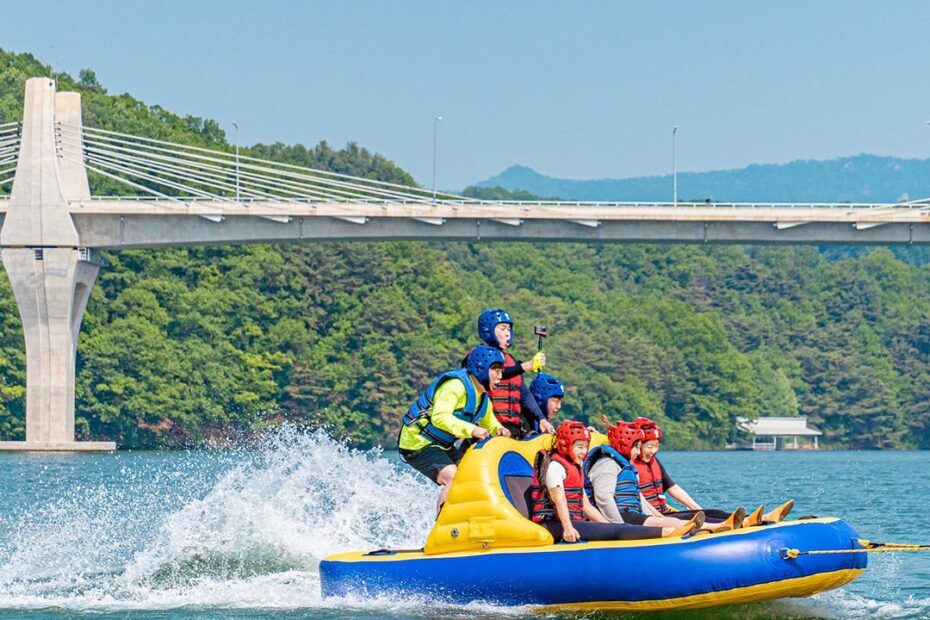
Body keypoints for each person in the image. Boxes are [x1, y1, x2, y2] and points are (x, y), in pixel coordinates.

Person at [529, 421, 702, 543]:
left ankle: (675, 531)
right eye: (579, 447)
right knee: (619, 529)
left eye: (585, 447)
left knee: (615, 528)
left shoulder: (574, 468)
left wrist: (607, 525)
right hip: (554, 523)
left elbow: (586, 507)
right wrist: (567, 528)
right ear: (566, 445)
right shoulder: (555, 467)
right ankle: (672, 532)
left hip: (573, 520)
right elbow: (559, 500)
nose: (584, 452)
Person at [398, 344, 512, 513]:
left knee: (472, 474)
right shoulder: (455, 386)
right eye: (496, 370)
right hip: (418, 442)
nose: (500, 376)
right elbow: (439, 417)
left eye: (501, 371)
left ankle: (468, 519)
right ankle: (442, 527)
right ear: (481, 368)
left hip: (443, 446)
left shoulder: (483, 399)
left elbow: (491, 424)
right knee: (454, 477)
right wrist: (472, 430)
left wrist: (500, 430)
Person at [585, 420, 744, 533]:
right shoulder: (607, 464)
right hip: (624, 517)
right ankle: (719, 527)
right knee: (673, 522)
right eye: (638, 448)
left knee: (689, 517)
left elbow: (638, 498)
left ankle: (729, 523)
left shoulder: (625, 465)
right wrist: (619, 528)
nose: (639, 452)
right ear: (625, 445)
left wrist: (657, 515)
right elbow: (603, 498)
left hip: (633, 514)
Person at [633, 417, 794, 525]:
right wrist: (659, 517)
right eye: (650, 447)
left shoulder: (654, 462)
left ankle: (758, 518)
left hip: (664, 512)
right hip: (656, 517)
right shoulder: (631, 466)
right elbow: (639, 498)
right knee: (699, 517)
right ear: (638, 445)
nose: (653, 451)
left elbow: (673, 488)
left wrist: (696, 508)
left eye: (657, 446)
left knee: (709, 512)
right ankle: (748, 521)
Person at [468, 308, 555, 438]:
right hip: (486, 431)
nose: (507, 334)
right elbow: (496, 374)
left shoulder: (510, 360)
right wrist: (526, 366)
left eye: (509, 329)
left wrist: (541, 418)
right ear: (488, 330)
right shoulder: (476, 357)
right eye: (503, 329)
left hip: (513, 430)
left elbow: (523, 394)